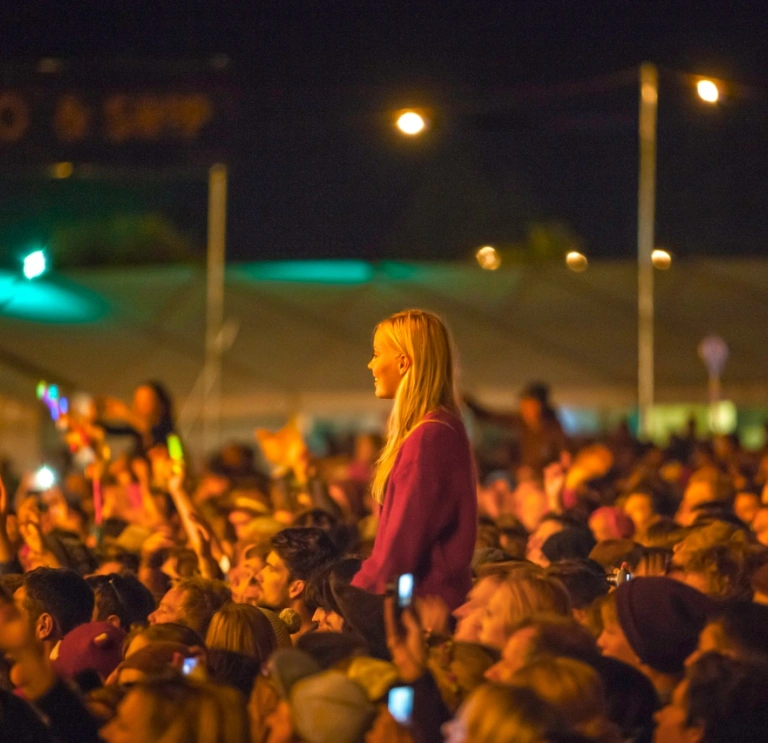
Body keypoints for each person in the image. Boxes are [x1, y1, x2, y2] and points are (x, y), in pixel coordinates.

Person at [351, 309, 477, 610]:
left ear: (403, 362)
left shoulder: (428, 438)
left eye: (376, 353)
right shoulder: (439, 429)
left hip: (422, 611)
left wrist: (350, 601)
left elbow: (398, 548)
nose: (370, 364)